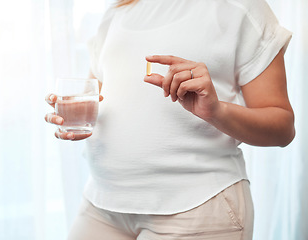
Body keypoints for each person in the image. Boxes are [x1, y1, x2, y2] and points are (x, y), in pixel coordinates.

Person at [45, 0, 295, 239]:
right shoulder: (117, 11)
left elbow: (282, 127)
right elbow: (97, 98)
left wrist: (216, 111)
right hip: (102, 202)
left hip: (197, 207)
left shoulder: (241, 7)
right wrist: (71, 112)